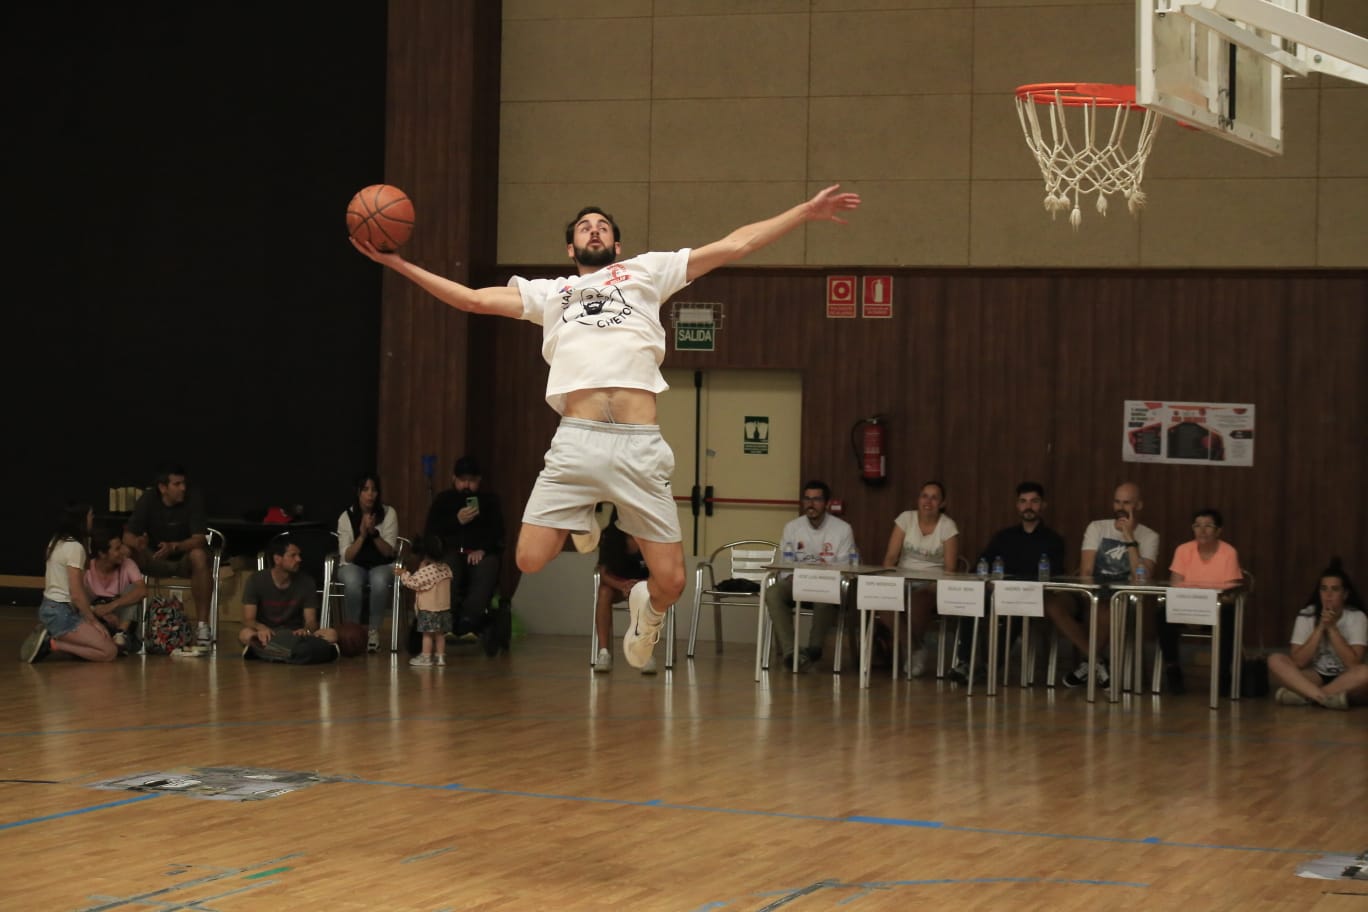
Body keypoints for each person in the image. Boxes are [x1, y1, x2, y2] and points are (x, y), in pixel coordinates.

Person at [354, 185, 861, 670]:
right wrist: (398, 264)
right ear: (569, 246)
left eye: (602, 227)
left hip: (639, 447)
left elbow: (735, 244)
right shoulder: (552, 294)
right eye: (583, 227)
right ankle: (583, 518)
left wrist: (803, 212)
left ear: (616, 244)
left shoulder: (647, 272)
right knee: (529, 560)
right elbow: (471, 300)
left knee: (672, 582)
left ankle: (647, 609)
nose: (592, 231)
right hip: (577, 441)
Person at [948, 482, 1068, 683]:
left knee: (1016, 610)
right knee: (971, 601)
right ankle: (964, 663)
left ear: (1043, 505)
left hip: (1032, 598)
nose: (1028, 506)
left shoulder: (1054, 540)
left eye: (1034, 501)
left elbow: (1055, 575)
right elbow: (981, 565)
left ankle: (989, 667)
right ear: (1017, 505)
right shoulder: (1004, 537)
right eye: (1023, 501)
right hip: (998, 593)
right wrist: (988, 583)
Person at [1045, 481, 1159, 689]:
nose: (1121, 508)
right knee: (1053, 603)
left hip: (1123, 599)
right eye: (1117, 502)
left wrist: (1129, 538)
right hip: (1089, 593)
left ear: (1139, 505)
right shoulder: (1097, 527)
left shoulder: (1149, 536)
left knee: (1108, 603)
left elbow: (1142, 577)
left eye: (1127, 502)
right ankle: (1097, 661)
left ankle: (1089, 664)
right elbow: (1086, 571)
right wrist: (1090, 594)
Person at [764, 481, 855, 672]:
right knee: (773, 592)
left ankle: (814, 650)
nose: (811, 504)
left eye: (816, 499)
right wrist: (790, 577)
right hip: (798, 583)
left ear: (827, 503)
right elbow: (786, 563)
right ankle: (791, 653)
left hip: (828, 584)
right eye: (807, 499)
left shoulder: (843, 529)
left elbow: (845, 568)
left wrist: (821, 580)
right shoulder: (792, 527)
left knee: (824, 596)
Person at [123, 464, 214, 647]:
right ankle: (126, 628)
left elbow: (199, 539)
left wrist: (174, 546)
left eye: (184, 483)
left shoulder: (193, 499)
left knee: (199, 555)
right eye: (177, 484)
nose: (183, 488)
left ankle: (203, 626)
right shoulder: (148, 499)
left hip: (182, 557)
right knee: (127, 552)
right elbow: (128, 535)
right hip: (154, 557)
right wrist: (137, 543)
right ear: (163, 487)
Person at [423, 456, 504, 647]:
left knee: (487, 566)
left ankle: (470, 619)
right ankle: (446, 618)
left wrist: (483, 549)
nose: (467, 485)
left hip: (479, 553)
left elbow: (498, 532)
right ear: (454, 479)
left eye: (472, 480)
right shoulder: (444, 500)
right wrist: (456, 520)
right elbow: (432, 532)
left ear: (479, 480)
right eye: (462, 480)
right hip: (451, 551)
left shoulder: (489, 501)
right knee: (447, 566)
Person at [1159, 507, 1242, 695]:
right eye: (1197, 526)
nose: (1202, 530)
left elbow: (1230, 595)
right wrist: (1189, 612)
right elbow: (1175, 587)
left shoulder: (1228, 552)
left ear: (1219, 531)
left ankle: (1223, 676)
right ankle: (1173, 669)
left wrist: (1204, 610)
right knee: (1161, 613)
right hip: (1185, 610)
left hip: (1216, 611)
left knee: (1229, 615)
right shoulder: (1183, 550)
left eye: (1208, 526)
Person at [881, 480, 960, 677]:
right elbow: (891, 557)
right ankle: (916, 648)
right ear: (918, 499)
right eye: (925, 496)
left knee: (917, 603)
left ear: (942, 503)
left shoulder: (948, 526)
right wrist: (888, 581)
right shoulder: (905, 519)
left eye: (934, 498)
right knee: (882, 602)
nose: (928, 501)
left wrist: (937, 586)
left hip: (932, 584)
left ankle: (909, 648)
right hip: (903, 578)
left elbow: (950, 568)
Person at [21, 503, 117, 663]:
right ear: (81, 519)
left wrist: (92, 611)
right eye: (90, 515)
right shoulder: (74, 547)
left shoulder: (57, 542)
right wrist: (93, 621)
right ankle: (53, 643)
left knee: (103, 643)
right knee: (109, 652)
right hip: (61, 613)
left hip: (53, 609)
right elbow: (76, 593)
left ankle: (54, 637)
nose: (92, 519)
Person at [1267, 558, 1368, 709]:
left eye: (1334, 589)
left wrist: (1332, 628)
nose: (1328, 595)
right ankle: (1323, 698)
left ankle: (1305, 696)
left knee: (1365, 672)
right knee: (1275, 660)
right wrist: (1320, 627)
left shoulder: (1357, 617)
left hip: (1346, 677)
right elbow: (1298, 661)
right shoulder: (1306, 615)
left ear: (1345, 594)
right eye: (1324, 589)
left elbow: (1353, 663)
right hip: (1315, 675)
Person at [238, 538, 337, 659]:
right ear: (277, 559)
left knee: (332, 634)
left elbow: (311, 621)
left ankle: (270, 652)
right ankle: (292, 653)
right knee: (245, 634)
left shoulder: (307, 582)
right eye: (293, 555)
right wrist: (262, 628)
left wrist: (305, 630)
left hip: (295, 635)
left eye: (299, 555)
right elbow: (248, 620)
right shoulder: (256, 580)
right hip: (269, 634)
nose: (299, 559)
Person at [336, 472, 399, 653]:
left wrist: (374, 533)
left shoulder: (388, 513)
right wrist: (363, 535)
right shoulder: (346, 516)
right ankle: (354, 632)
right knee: (353, 581)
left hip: (382, 564)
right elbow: (347, 556)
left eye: (374, 490)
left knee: (379, 580)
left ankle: (373, 630)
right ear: (358, 492)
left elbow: (389, 551)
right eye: (366, 490)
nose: (370, 494)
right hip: (353, 565)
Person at [593, 507, 655, 675]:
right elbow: (603, 573)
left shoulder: (650, 537)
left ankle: (645, 653)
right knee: (604, 593)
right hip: (618, 586)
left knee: (645, 596)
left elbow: (659, 572)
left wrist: (639, 586)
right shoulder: (609, 536)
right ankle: (604, 653)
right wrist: (622, 585)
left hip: (645, 586)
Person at [84, 525, 149, 654]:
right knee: (82, 591)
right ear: (102, 553)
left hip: (121, 619)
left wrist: (112, 606)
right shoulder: (87, 568)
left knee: (133, 589)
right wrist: (99, 612)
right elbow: (76, 597)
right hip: (94, 617)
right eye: (117, 549)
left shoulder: (128, 564)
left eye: (122, 546)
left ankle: (121, 634)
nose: (123, 551)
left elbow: (142, 591)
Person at [399, 535, 455, 667]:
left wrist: (403, 573)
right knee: (440, 634)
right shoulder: (447, 568)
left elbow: (413, 582)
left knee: (427, 635)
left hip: (429, 609)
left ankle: (426, 657)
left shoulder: (427, 571)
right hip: (444, 608)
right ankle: (441, 657)